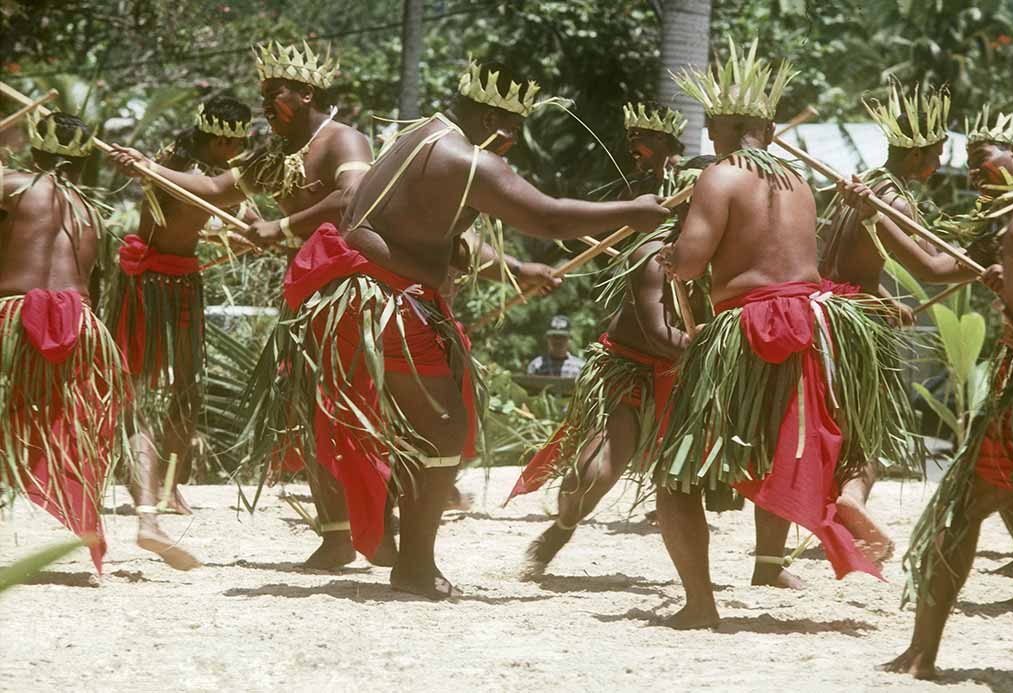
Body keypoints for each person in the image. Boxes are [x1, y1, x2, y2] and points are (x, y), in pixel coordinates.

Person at [242, 58, 668, 600]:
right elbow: (549, 218)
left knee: (420, 425)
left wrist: (516, 270)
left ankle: (393, 541)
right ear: (486, 112)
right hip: (384, 302)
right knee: (443, 427)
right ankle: (413, 565)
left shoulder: (423, 133)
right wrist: (630, 211)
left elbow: (435, 236)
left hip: (364, 299)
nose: (512, 139)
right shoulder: (464, 159)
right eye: (508, 125)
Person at [653, 38, 919, 629]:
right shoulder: (799, 181)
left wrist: (670, 254)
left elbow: (692, 265)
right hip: (817, 322)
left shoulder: (719, 176)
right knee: (789, 444)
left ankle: (699, 606)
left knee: (675, 473)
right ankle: (833, 504)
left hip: (748, 326)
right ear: (769, 130)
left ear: (722, 128)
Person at [111, 40, 374, 570]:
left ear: (304, 93)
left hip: (352, 287)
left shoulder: (344, 139)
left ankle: (386, 522)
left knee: (355, 408)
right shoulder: (274, 153)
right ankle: (338, 533)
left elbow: (353, 199)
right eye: (261, 92)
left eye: (272, 92)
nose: (263, 102)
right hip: (306, 291)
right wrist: (150, 169)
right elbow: (211, 189)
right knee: (303, 410)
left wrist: (283, 224)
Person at [509, 102, 708, 577]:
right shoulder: (652, 250)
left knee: (685, 485)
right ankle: (564, 524)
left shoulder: (726, 250)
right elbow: (658, 334)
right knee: (592, 476)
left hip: (685, 374)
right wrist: (711, 348)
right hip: (634, 367)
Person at [883, 108, 1013, 680]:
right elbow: (931, 264)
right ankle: (921, 651)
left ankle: (923, 653)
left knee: (962, 509)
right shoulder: (997, 217)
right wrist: (872, 212)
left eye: (984, 162)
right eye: (970, 165)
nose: (975, 174)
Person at [821, 84, 1000, 562]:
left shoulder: (862, 189)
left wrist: (881, 295)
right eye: (937, 155)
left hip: (832, 308)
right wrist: (985, 256)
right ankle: (852, 499)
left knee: (835, 423)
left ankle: (825, 516)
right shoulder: (889, 202)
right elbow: (931, 269)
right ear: (918, 153)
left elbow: (839, 263)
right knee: (864, 434)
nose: (939, 165)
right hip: (851, 324)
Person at [107, 96, 253, 571]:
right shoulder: (175, 161)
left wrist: (255, 230)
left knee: (187, 389)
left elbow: (230, 202)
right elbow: (197, 186)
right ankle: (146, 492)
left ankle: (170, 487)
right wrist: (147, 166)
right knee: (145, 388)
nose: (235, 151)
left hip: (184, 279)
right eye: (231, 143)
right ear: (216, 139)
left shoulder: (199, 172)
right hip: (148, 283)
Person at [0, 111, 130, 572]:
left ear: (36, 150)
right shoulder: (93, 212)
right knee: (71, 424)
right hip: (82, 325)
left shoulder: (14, 186)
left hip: (13, 315)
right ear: (79, 163)